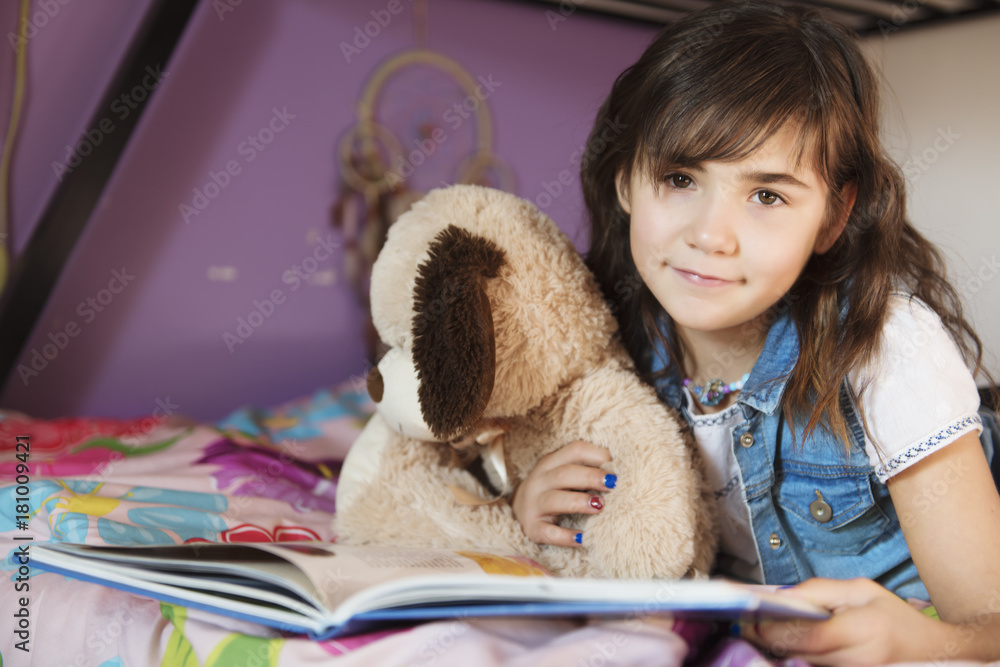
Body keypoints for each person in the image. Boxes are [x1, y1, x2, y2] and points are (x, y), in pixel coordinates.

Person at [510, 1, 1000, 663]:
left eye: (767, 195)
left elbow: (989, 622)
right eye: (680, 179)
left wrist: (924, 642)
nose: (711, 236)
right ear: (626, 180)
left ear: (832, 218)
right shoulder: (604, 345)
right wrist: (533, 506)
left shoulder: (886, 349)